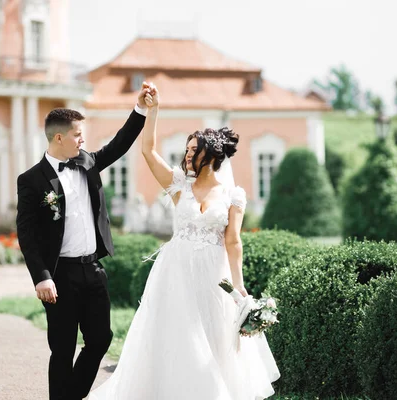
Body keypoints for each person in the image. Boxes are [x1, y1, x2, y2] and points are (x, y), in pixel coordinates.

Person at [89, 86, 280, 399]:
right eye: (188, 149)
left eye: (195, 150)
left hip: (214, 276)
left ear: (212, 155)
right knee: (177, 336)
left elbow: (233, 242)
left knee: (213, 335)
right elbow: (148, 152)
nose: (188, 155)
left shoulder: (234, 195)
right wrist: (153, 110)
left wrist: (239, 287)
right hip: (175, 271)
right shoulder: (179, 185)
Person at [16, 85, 151, 400]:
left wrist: (140, 110)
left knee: (101, 339)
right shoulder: (32, 180)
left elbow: (118, 146)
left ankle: (71, 396)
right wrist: (42, 277)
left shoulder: (88, 162)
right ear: (59, 137)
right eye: (78, 134)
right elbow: (26, 233)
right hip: (59, 276)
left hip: (93, 269)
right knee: (62, 349)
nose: (83, 140)